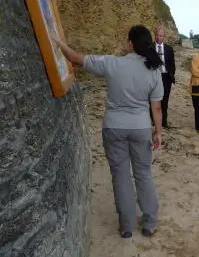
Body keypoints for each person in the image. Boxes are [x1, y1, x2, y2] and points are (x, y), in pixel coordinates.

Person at [52, 25, 163, 238]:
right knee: (143, 175)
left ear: (130, 43)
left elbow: (75, 59)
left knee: (120, 176)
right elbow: (156, 107)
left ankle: (127, 226)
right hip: (141, 127)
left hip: (114, 126)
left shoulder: (112, 63)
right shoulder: (154, 69)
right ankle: (149, 223)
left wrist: (58, 42)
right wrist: (158, 132)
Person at [153, 26, 175, 128]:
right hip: (153, 77)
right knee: (153, 99)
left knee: (165, 100)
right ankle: (153, 121)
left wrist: (171, 75)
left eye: (161, 35)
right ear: (155, 35)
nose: (159, 37)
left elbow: (172, 64)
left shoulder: (169, 49)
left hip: (166, 77)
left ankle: (164, 122)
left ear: (164, 37)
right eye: (157, 35)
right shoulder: (150, 48)